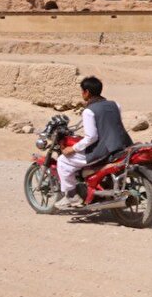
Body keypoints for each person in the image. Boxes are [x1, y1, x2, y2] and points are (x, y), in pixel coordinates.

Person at [55, 76, 132, 210]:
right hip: (122, 145)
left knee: (63, 160)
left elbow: (91, 137)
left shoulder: (89, 111)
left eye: (82, 91)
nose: (82, 94)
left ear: (87, 92)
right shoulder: (115, 104)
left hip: (104, 151)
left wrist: (72, 148)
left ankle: (71, 196)